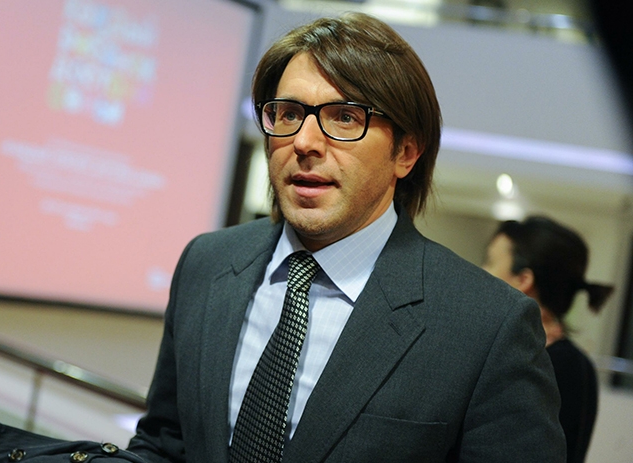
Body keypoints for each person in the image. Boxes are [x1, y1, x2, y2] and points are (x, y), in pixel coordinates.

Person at [127, 13, 565, 462]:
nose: (305, 142)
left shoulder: (487, 326)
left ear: (406, 153)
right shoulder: (208, 263)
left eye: (345, 117)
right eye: (288, 113)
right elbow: (164, 443)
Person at [483, 216, 614, 463]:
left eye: (490, 262)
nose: (482, 272)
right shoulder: (523, 354)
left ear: (523, 280)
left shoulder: (564, 366)